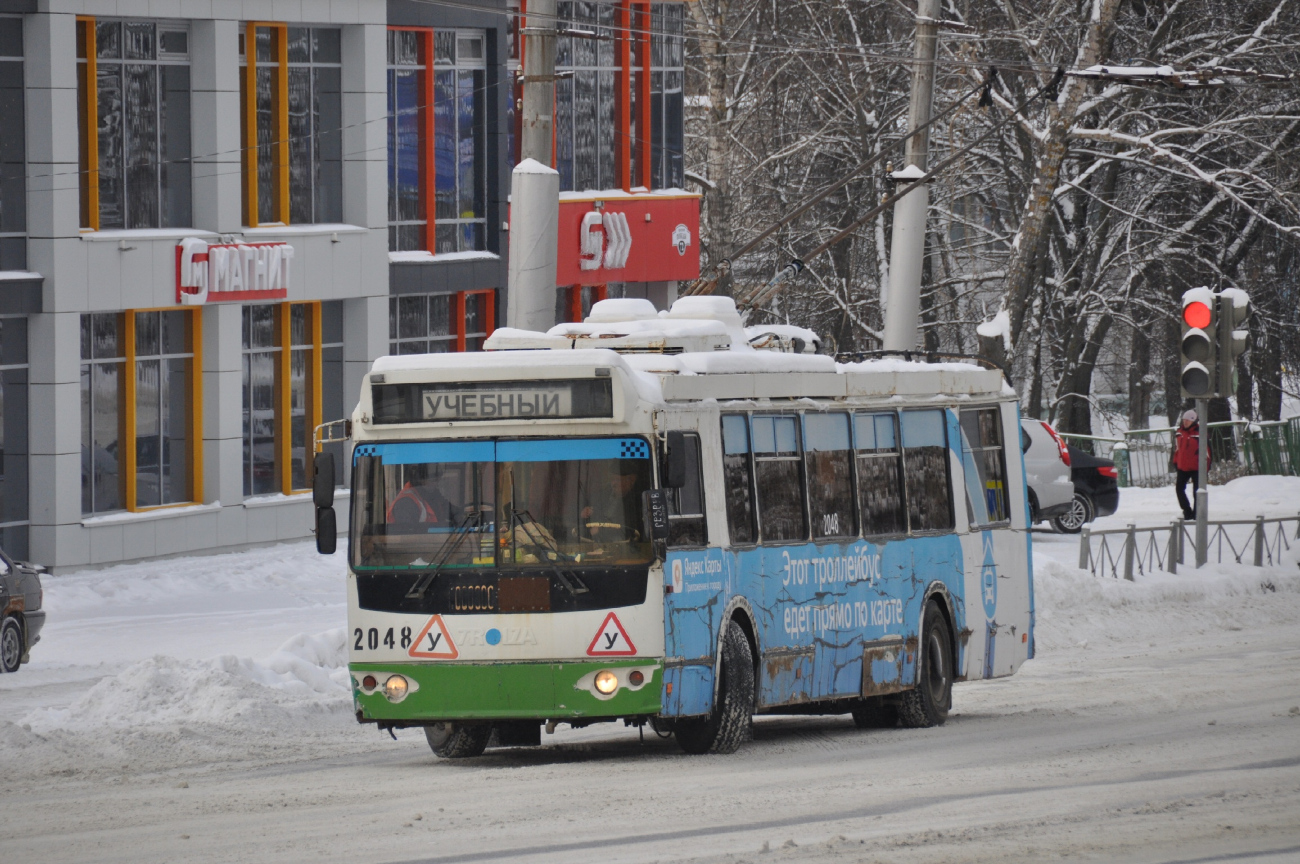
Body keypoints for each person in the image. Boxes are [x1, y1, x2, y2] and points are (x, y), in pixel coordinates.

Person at [1171, 409, 1211, 520]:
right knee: (1179, 489)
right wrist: (1176, 462)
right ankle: (1187, 510)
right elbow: (1177, 449)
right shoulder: (1179, 432)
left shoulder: (1200, 433)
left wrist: (1206, 468)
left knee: (1197, 492)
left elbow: (1208, 452)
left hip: (1197, 467)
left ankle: (1197, 513)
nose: (1185, 422)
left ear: (1193, 421)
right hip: (1182, 466)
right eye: (1184, 420)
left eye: (1188, 421)